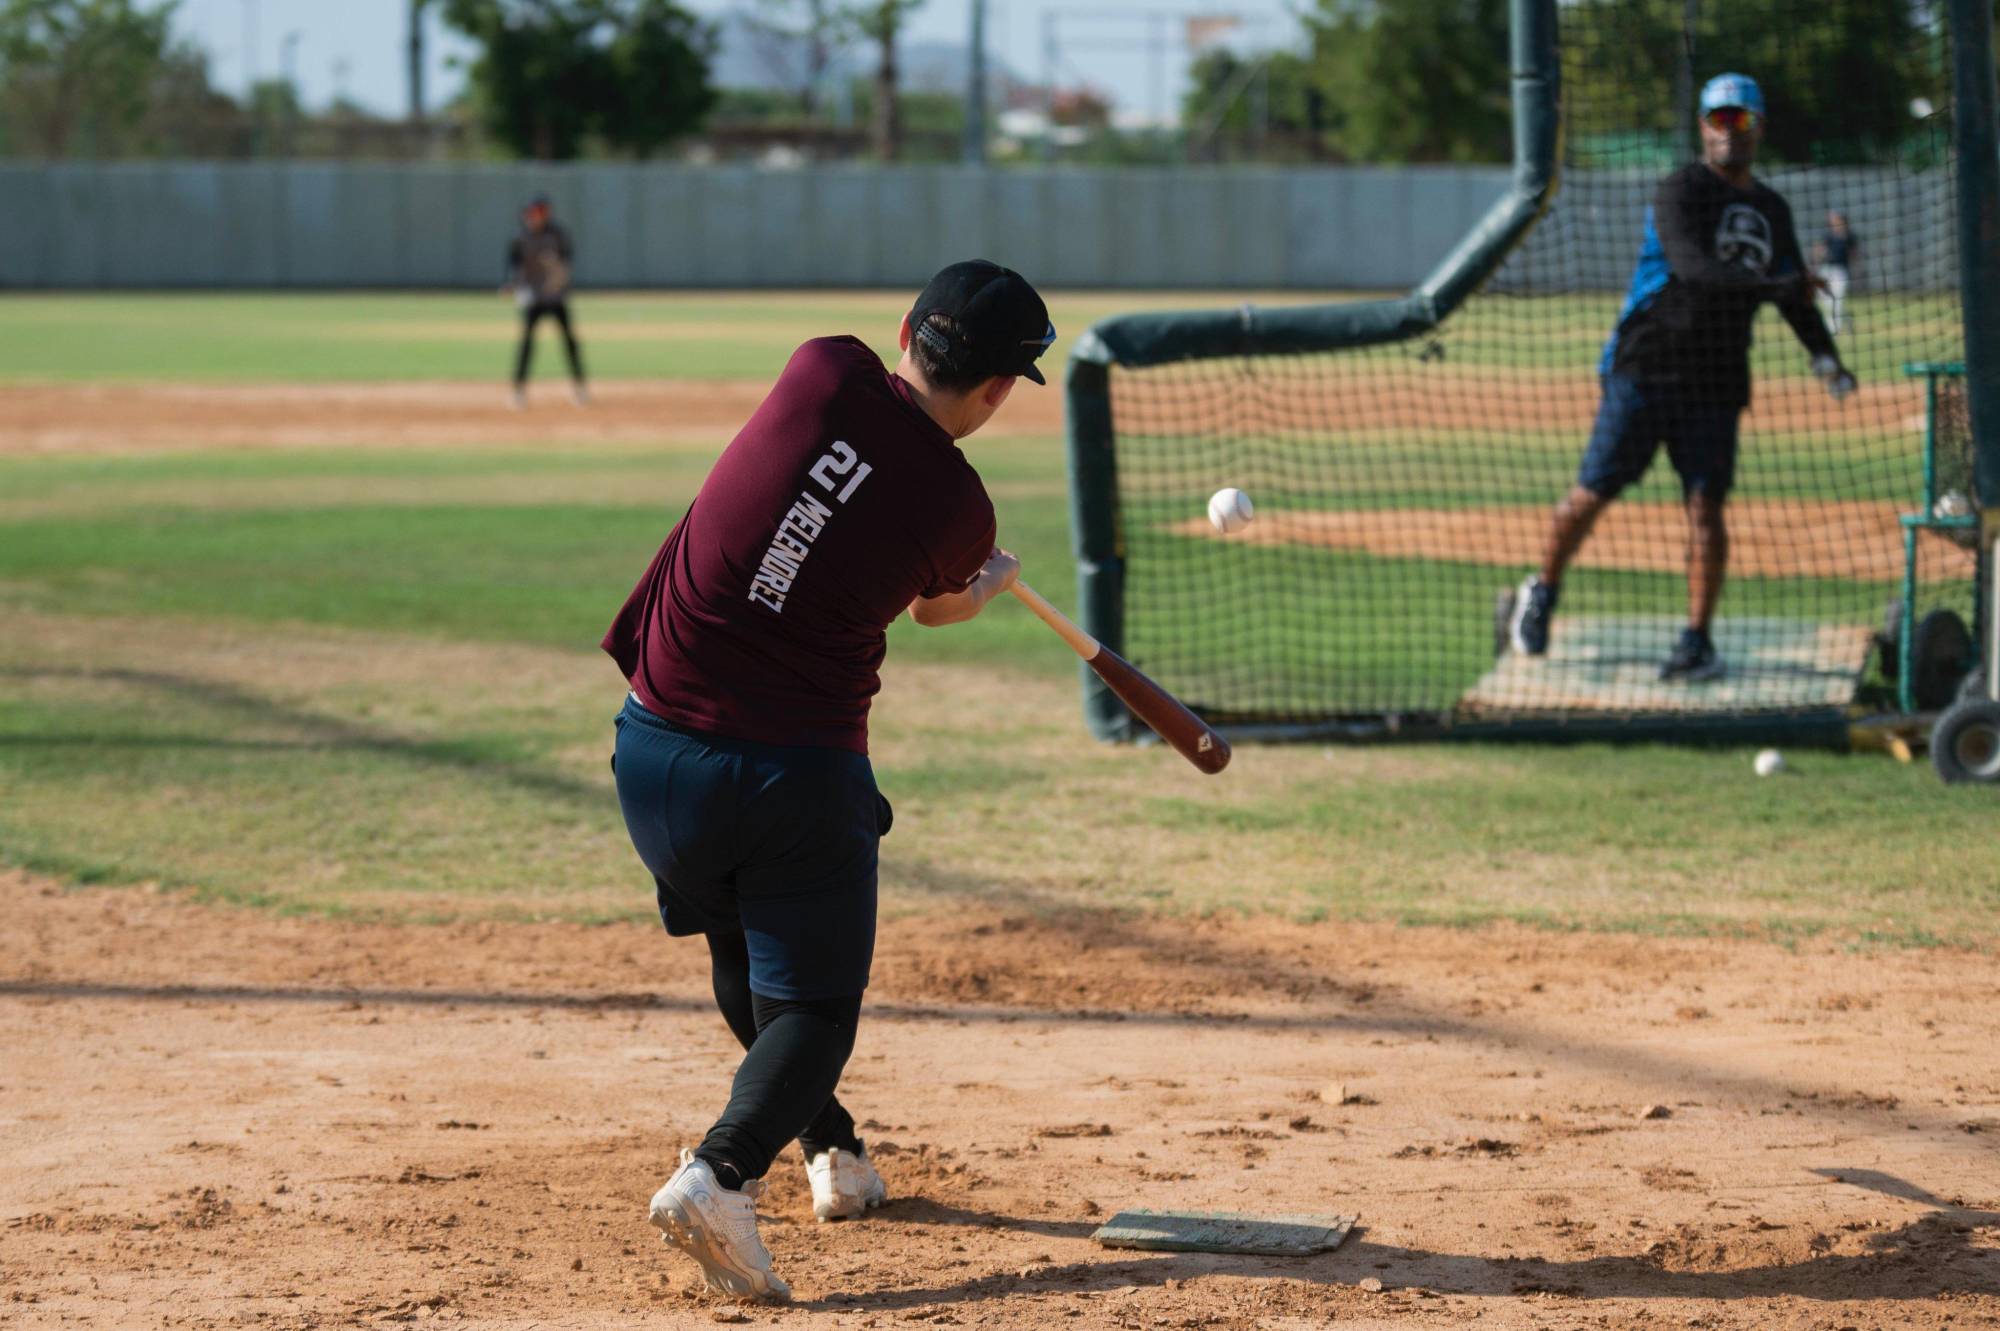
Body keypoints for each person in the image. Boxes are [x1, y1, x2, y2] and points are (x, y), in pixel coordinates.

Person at [600, 261, 1055, 1302]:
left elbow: (819, 499)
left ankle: (833, 1150)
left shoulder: (820, 367)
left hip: (652, 752)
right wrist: (986, 584)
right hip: (790, 780)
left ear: (903, 329)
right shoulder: (960, 507)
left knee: (741, 947)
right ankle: (719, 1174)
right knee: (813, 1012)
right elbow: (931, 607)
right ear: (997, 391)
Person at [1508, 73, 1853, 682]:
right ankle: (1543, 587)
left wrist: (1825, 357)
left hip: (1718, 378)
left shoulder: (1772, 209)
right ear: (1702, 126)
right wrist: (1781, 285)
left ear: (1760, 127)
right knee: (1592, 493)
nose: (1730, 131)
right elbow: (1696, 270)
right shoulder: (1681, 190)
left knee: (1705, 509)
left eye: (1742, 119)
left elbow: (1795, 297)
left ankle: (1697, 640)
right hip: (1646, 366)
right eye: (1720, 119)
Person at [503, 195, 588, 408]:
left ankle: (579, 388)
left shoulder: (557, 235)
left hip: (556, 296)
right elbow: (515, 266)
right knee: (527, 343)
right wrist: (513, 286)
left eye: (541, 212)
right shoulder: (521, 237)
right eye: (533, 212)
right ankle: (519, 391)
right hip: (534, 297)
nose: (536, 216)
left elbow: (566, 263)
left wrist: (559, 275)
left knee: (569, 342)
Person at [1813, 209, 1858, 334]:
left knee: (1837, 298)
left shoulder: (1850, 236)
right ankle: (1846, 319)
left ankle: (1833, 329)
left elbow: (1854, 254)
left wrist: (1855, 269)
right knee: (1825, 299)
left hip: (1840, 271)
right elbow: (1818, 250)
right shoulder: (1828, 235)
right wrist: (1819, 257)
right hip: (1826, 270)